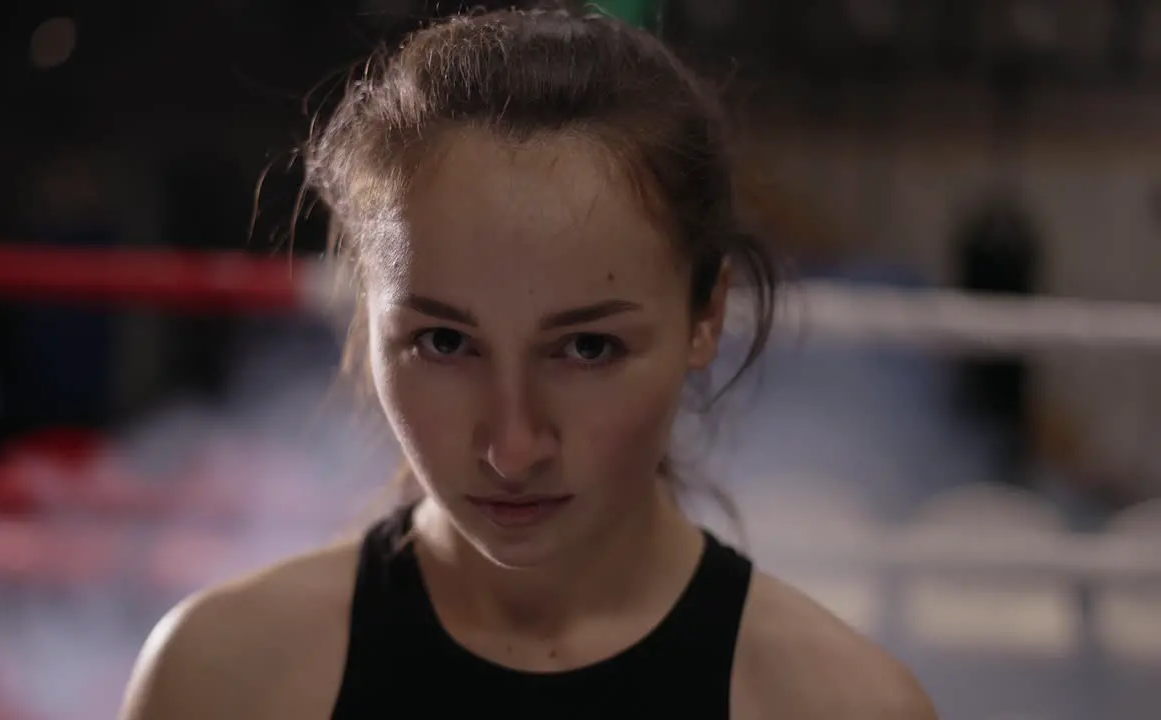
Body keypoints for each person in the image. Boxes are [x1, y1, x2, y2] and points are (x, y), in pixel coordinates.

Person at [120, 8, 937, 719]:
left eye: (588, 348)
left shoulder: (844, 709)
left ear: (705, 317)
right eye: (444, 342)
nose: (512, 448)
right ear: (370, 322)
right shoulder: (217, 679)